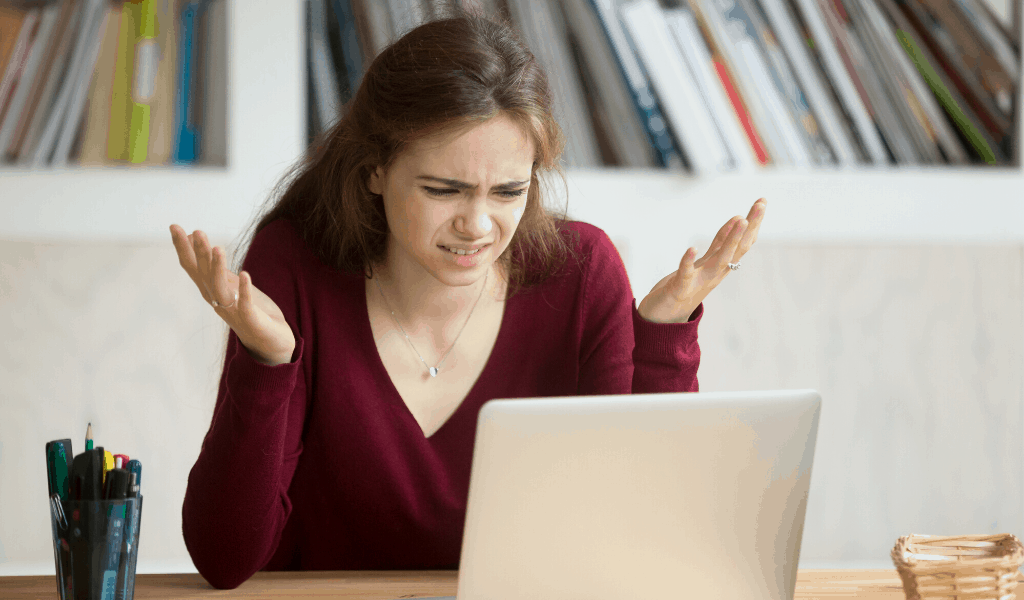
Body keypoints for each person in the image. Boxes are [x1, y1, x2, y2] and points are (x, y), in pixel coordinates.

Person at [169, 9, 765, 590]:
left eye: (509, 191)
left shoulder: (582, 272)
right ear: (375, 169)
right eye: (443, 189)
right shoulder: (294, 265)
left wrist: (662, 337)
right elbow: (225, 558)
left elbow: (645, 542)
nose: (478, 225)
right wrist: (267, 363)